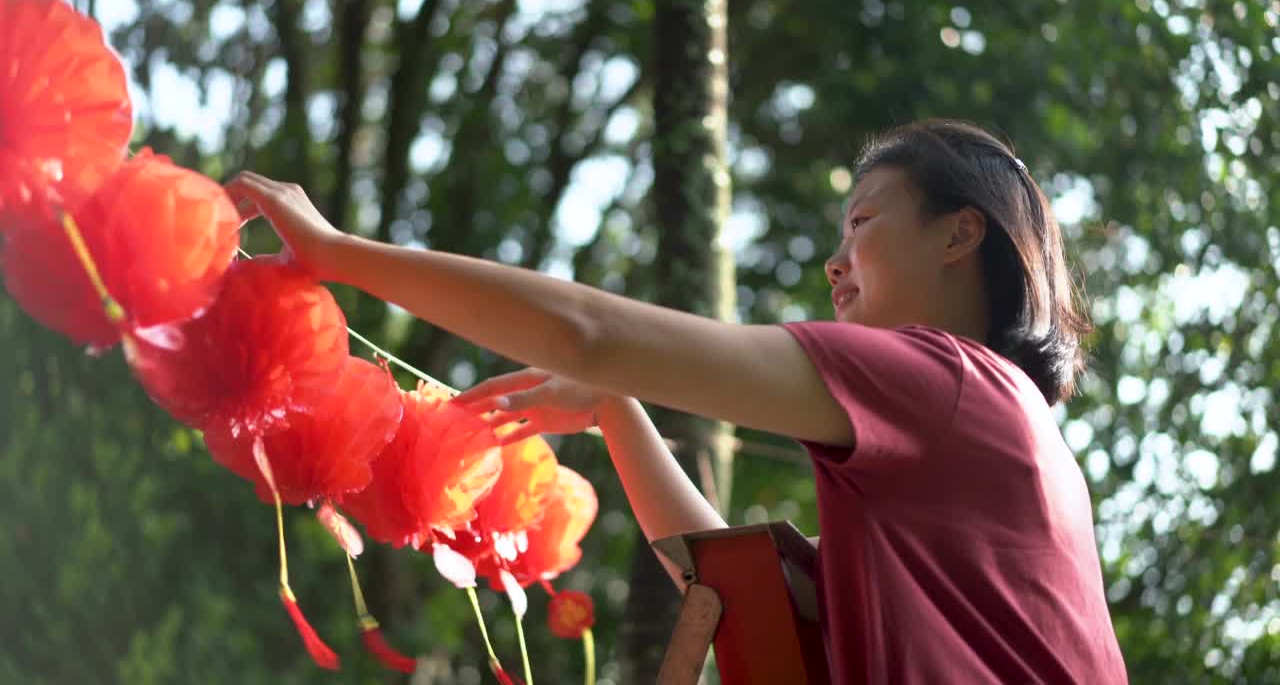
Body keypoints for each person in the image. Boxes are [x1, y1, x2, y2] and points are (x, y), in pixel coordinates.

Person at [227, 119, 1128, 683]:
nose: (835, 259)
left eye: (862, 221)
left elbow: (587, 331)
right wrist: (619, 413)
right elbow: (744, 598)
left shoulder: (953, 383)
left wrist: (338, 254)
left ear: (959, 235)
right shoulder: (990, 440)